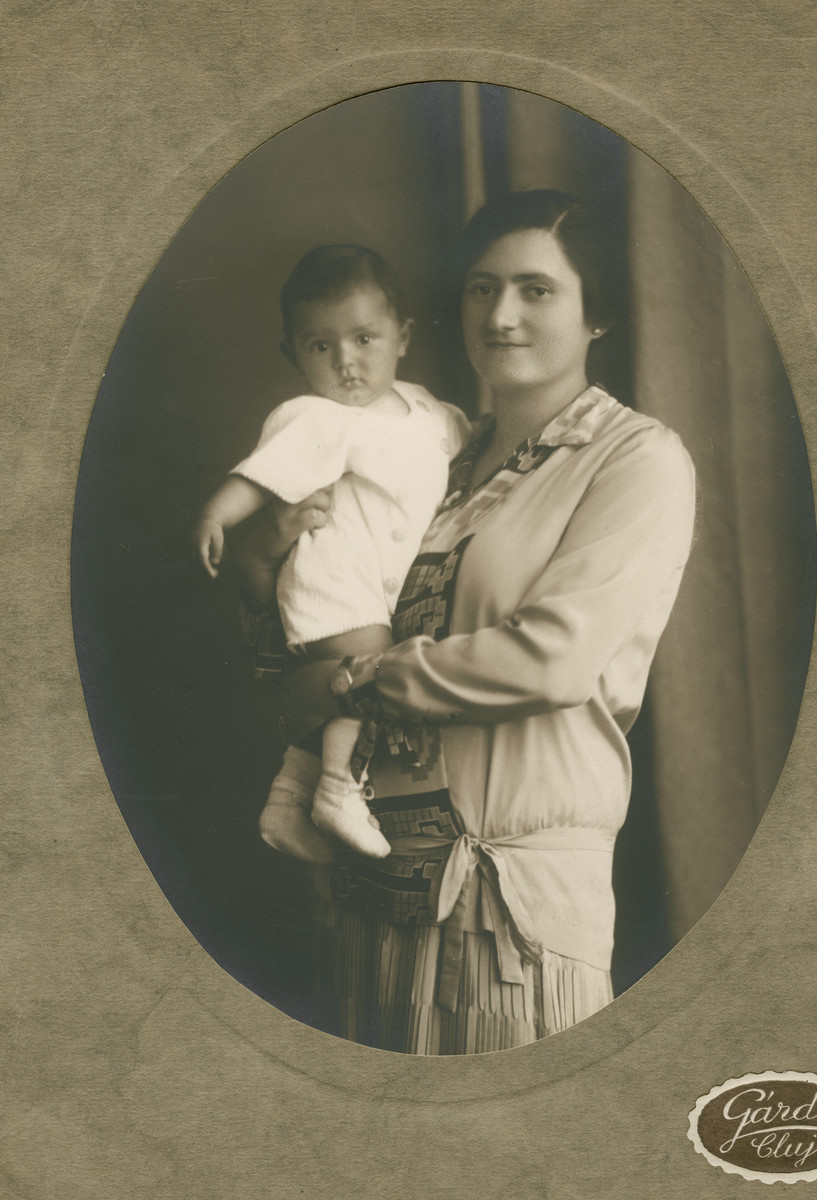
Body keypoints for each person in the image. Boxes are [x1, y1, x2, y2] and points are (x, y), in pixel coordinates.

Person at [234, 190, 698, 1055]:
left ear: (595, 313)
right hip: (373, 890)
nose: (502, 315)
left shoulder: (634, 458)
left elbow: (549, 662)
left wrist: (352, 683)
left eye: (536, 290)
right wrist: (274, 574)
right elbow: (307, 644)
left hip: (507, 900)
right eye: (482, 289)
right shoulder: (427, 454)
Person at [193, 245, 469, 860]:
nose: (346, 362)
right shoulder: (315, 417)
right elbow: (260, 477)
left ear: (403, 336)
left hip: (381, 580)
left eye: (364, 338)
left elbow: (466, 446)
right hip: (335, 578)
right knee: (366, 674)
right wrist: (219, 510)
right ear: (294, 354)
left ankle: (288, 799)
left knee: (354, 678)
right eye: (321, 347)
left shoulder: (426, 407)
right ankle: (339, 791)